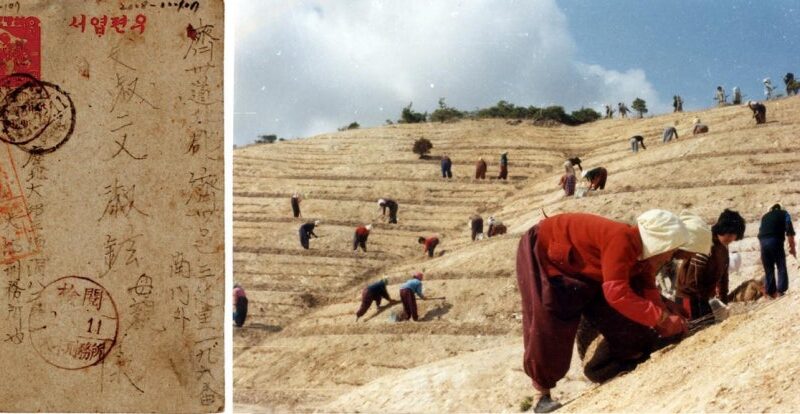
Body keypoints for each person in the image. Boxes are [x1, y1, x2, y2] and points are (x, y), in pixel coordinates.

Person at [515, 209, 711, 413]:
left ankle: (625, 360)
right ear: (660, 243)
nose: (671, 257)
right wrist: (661, 318)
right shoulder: (621, 239)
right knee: (550, 322)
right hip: (547, 255)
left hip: (588, 270)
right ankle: (541, 394)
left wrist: (665, 319)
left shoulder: (642, 258)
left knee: (624, 322)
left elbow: (648, 289)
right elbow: (617, 293)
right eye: (672, 251)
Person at [675, 209, 746, 318]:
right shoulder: (706, 243)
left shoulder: (723, 247)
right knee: (696, 327)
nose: (731, 238)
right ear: (722, 229)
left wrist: (723, 301)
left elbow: (723, 277)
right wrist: (707, 299)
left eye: (734, 236)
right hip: (689, 298)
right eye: (729, 234)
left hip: (703, 298)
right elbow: (692, 281)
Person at [758, 204, 796, 298]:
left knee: (768, 268)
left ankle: (770, 293)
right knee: (781, 265)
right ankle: (780, 291)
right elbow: (789, 231)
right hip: (775, 240)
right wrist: (792, 248)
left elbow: (761, 232)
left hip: (763, 242)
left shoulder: (764, 217)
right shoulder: (785, 214)